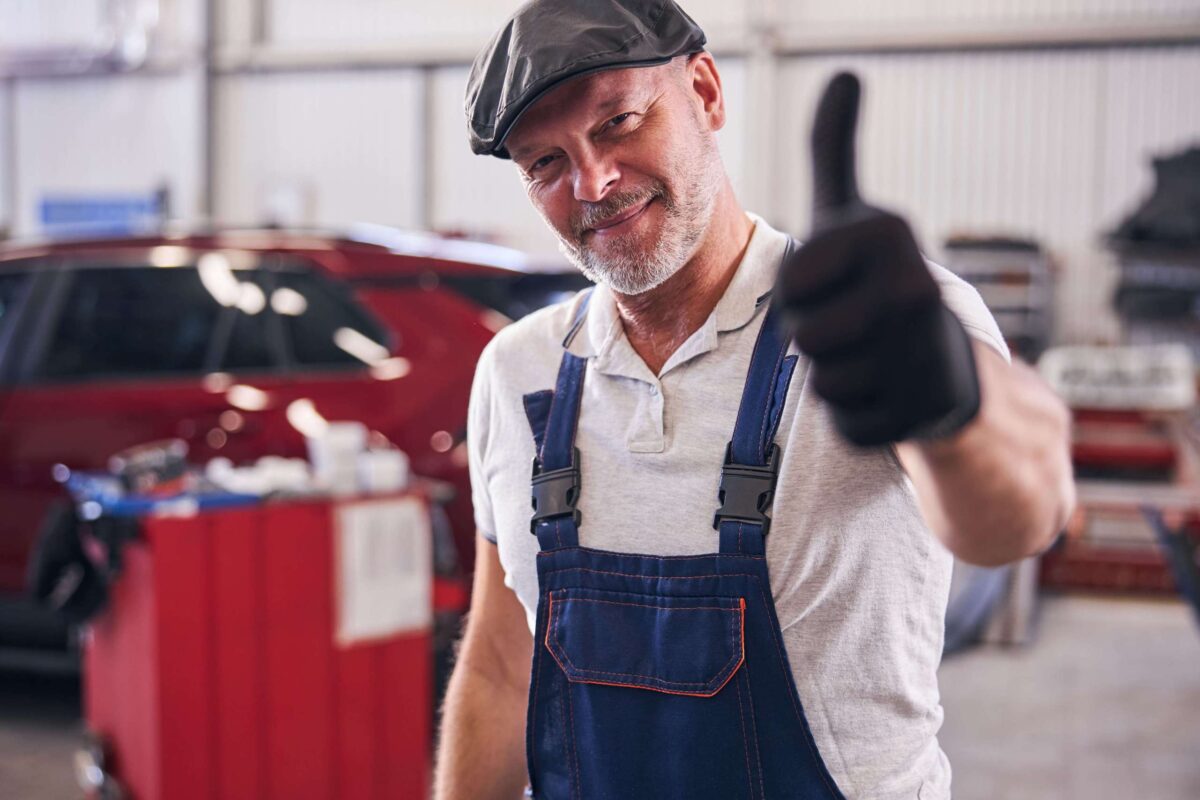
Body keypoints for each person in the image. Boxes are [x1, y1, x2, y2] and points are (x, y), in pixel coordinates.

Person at [435, 1, 1075, 798]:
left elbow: (1021, 521)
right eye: (544, 163)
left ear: (704, 92)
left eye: (619, 123)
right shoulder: (517, 371)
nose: (592, 182)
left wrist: (952, 409)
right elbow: (501, 663)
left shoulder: (868, 327)